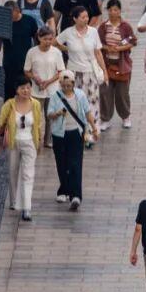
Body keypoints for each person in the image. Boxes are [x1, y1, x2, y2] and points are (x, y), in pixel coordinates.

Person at [47, 70, 97, 210]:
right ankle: (64, 190)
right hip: (59, 134)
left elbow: (87, 112)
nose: (66, 88)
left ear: (74, 84)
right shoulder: (55, 96)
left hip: (76, 132)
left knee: (75, 163)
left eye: (69, 85)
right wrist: (57, 113)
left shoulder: (80, 95)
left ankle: (76, 195)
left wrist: (94, 128)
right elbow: (49, 114)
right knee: (61, 163)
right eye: (64, 85)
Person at [0, 78, 42, 221]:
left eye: (28, 88)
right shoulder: (9, 104)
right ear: (16, 90)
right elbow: (0, 121)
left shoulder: (36, 104)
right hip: (13, 143)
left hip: (29, 143)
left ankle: (27, 207)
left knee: (28, 175)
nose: (26, 91)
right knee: (13, 171)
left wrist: (39, 140)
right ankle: (14, 201)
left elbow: (38, 124)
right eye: (22, 88)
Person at [0, 0, 38, 98]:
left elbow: (38, 40)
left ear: (17, 10)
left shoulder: (29, 21)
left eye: (10, 14)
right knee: (8, 93)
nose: (8, 17)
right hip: (9, 65)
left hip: (26, 64)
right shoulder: (3, 24)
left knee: (25, 91)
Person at [57, 5, 107, 116]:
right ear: (75, 19)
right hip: (74, 73)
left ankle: (92, 128)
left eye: (87, 17)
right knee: (75, 102)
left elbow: (98, 53)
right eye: (83, 17)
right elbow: (56, 43)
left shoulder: (93, 32)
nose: (86, 19)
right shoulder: (68, 32)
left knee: (92, 102)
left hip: (90, 72)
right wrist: (67, 49)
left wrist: (105, 71)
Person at [97, 0, 136, 130]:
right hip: (106, 64)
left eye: (116, 10)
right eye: (111, 10)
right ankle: (105, 118)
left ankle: (125, 116)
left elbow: (132, 41)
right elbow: (98, 43)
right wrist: (106, 48)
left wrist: (119, 48)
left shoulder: (125, 26)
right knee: (105, 92)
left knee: (122, 93)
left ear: (120, 11)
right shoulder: (103, 27)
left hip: (122, 64)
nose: (113, 12)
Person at [24, 25, 65, 144]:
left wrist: (47, 82)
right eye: (45, 39)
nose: (48, 42)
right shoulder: (32, 52)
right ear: (39, 38)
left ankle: (49, 140)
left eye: (50, 39)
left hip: (52, 89)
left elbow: (60, 71)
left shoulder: (56, 52)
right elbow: (27, 70)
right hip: (36, 90)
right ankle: (36, 139)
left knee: (50, 117)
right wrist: (35, 78)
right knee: (35, 116)